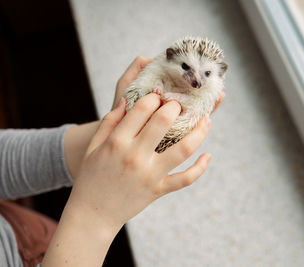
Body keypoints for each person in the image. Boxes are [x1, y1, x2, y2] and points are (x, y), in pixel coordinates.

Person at [0, 56, 224, 267]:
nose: (196, 80)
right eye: (187, 68)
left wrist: (114, 134)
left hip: (24, 230)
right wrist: (96, 217)